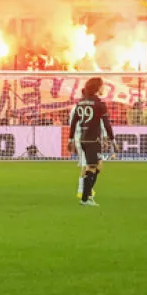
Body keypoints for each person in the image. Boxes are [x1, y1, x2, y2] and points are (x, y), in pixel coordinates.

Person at [65, 76, 115, 205]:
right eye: (102, 86)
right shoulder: (96, 104)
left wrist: (71, 139)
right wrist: (112, 140)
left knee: (98, 165)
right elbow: (105, 123)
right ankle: (84, 196)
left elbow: (74, 123)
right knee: (89, 166)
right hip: (89, 139)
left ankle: (87, 193)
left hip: (85, 138)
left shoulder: (81, 104)